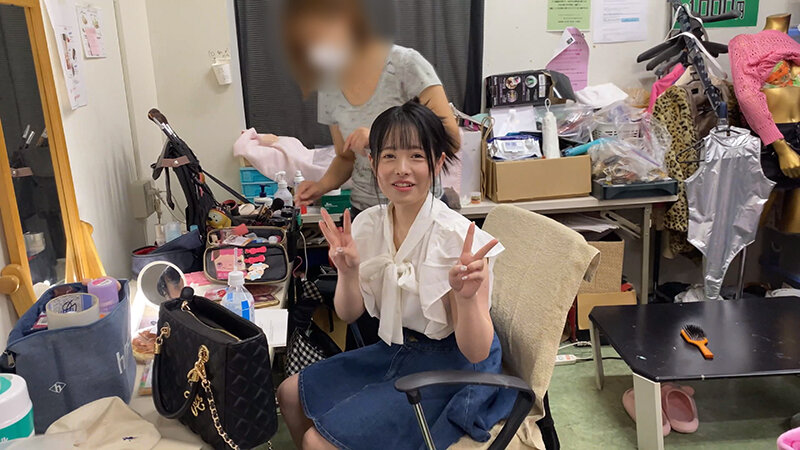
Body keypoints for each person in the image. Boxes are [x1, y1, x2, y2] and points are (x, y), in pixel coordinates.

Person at [276, 100, 515, 450]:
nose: (402, 169)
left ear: (436, 163)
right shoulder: (368, 224)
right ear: (373, 163)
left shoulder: (458, 240)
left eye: (416, 156)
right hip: (401, 349)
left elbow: (476, 352)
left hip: (457, 365)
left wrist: (466, 299)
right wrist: (348, 272)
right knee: (288, 393)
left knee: (317, 441)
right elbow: (348, 314)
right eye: (390, 156)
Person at [281, 0, 460, 214]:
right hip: (365, 210)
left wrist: (380, 137)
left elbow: (451, 140)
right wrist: (320, 186)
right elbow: (346, 157)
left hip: (418, 209)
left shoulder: (406, 65)